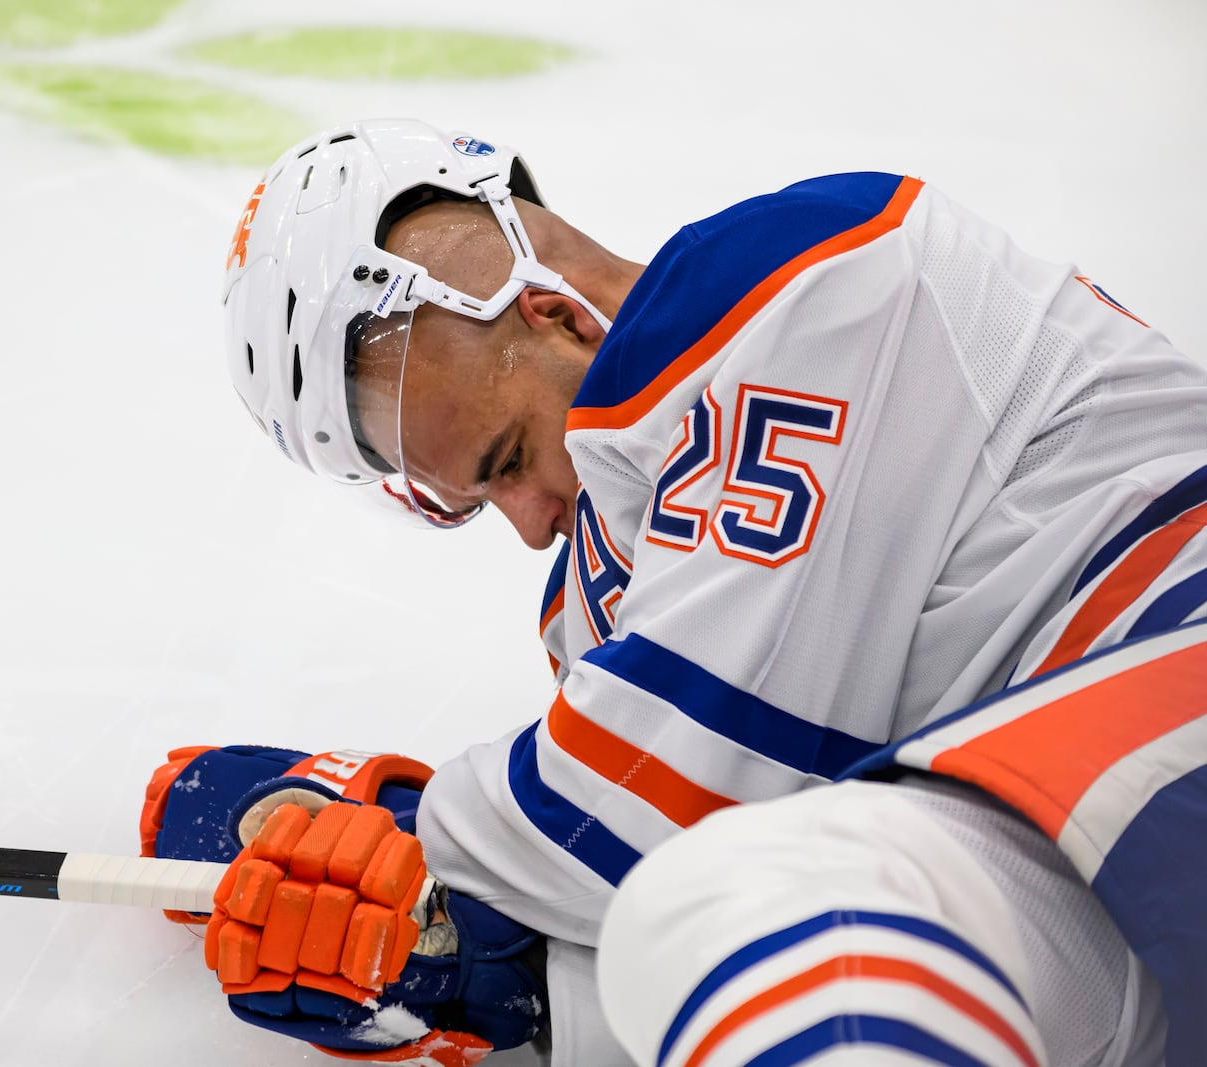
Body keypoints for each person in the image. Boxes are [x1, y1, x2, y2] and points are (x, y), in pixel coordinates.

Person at [147, 118, 1207, 1064]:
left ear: (555, 314)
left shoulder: (793, 279)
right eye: (474, 499)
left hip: (1167, 674)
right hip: (1102, 865)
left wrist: (393, 836)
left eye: (509, 454)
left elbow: (662, 803)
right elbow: (673, 873)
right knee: (696, 934)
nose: (525, 525)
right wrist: (463, 967)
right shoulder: (599, 606)